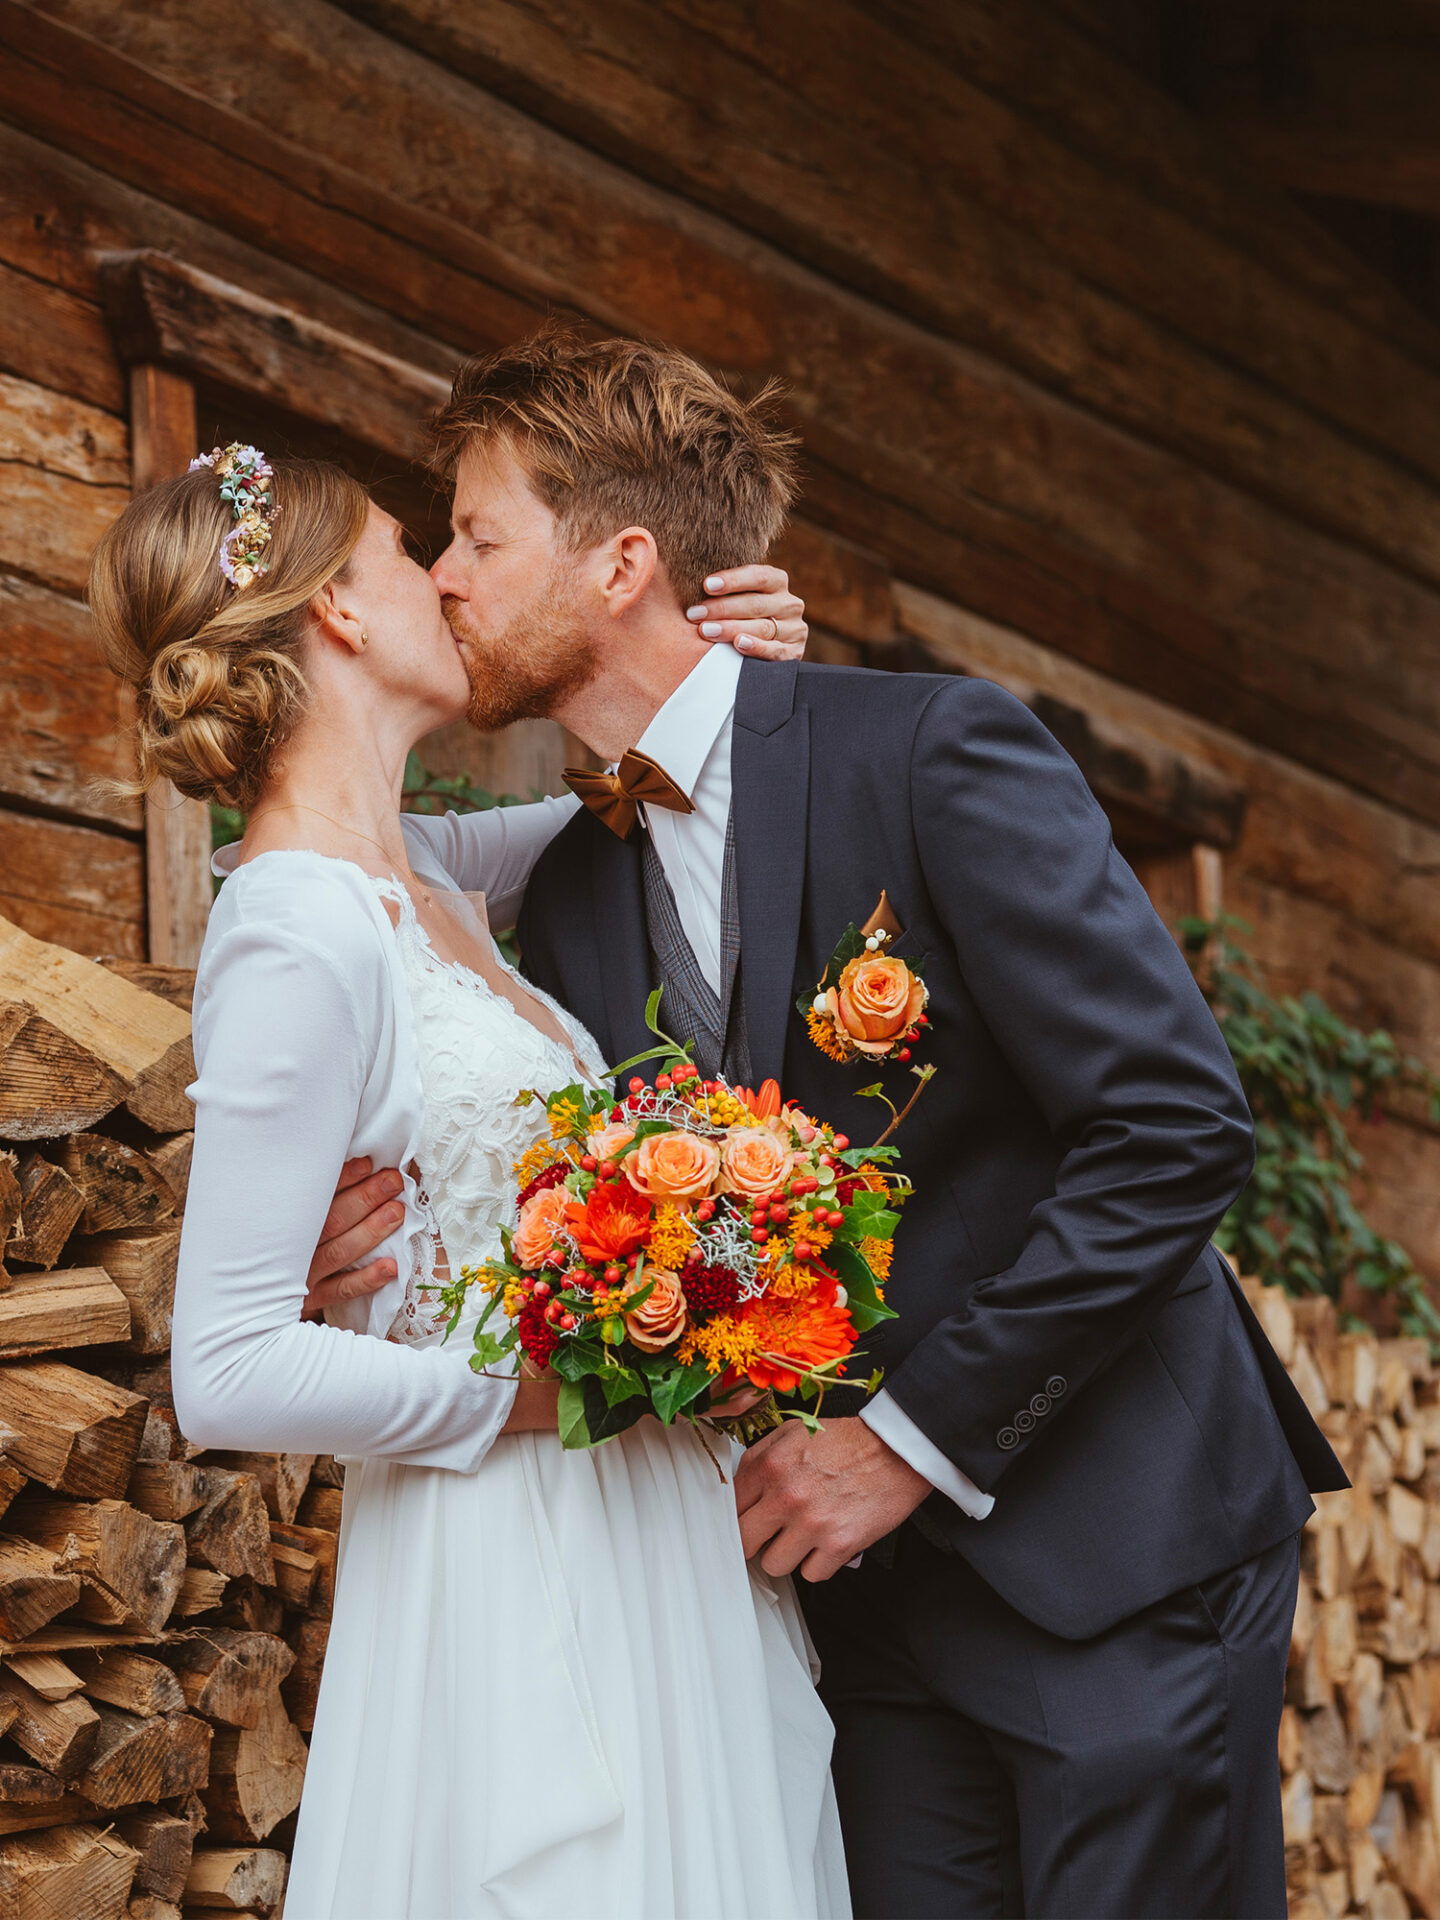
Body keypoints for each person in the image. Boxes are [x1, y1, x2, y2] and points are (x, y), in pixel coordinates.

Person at [317, 329, 1350, 1920]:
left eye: (478, 534)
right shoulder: (575, 888)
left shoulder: (934, 749)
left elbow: (1173, 1126)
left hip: (1113, 1546)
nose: (447, 574)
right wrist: (369, 1254)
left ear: (623, 562)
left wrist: (904, 1443)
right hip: (846, 1617)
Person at [88, 443, 847, 1920]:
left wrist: (733, 674)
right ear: (341, 620)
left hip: (645, 1528)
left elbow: (667, 809)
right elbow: (229, 1366)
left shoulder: (438, 879)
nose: (444, 575)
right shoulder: (295, 925)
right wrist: (549, 1393)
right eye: (399, 550)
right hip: (511, 1534)